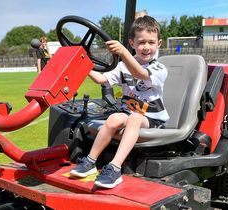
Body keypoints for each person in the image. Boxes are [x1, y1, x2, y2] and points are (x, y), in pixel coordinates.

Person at [69, 16, 169, 189]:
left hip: (151, 119)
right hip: (129, 113)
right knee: (114, 118)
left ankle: (114, 168)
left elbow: (141, 74)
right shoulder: (122, 66)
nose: (146, 47)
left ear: (159, 44)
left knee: (135, 118)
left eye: (151, 42)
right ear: (132, 43)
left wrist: (122, 52)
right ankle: (90, 162)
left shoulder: (159, 68)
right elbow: (101, 79)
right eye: (141, 42)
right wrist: (82, 63)